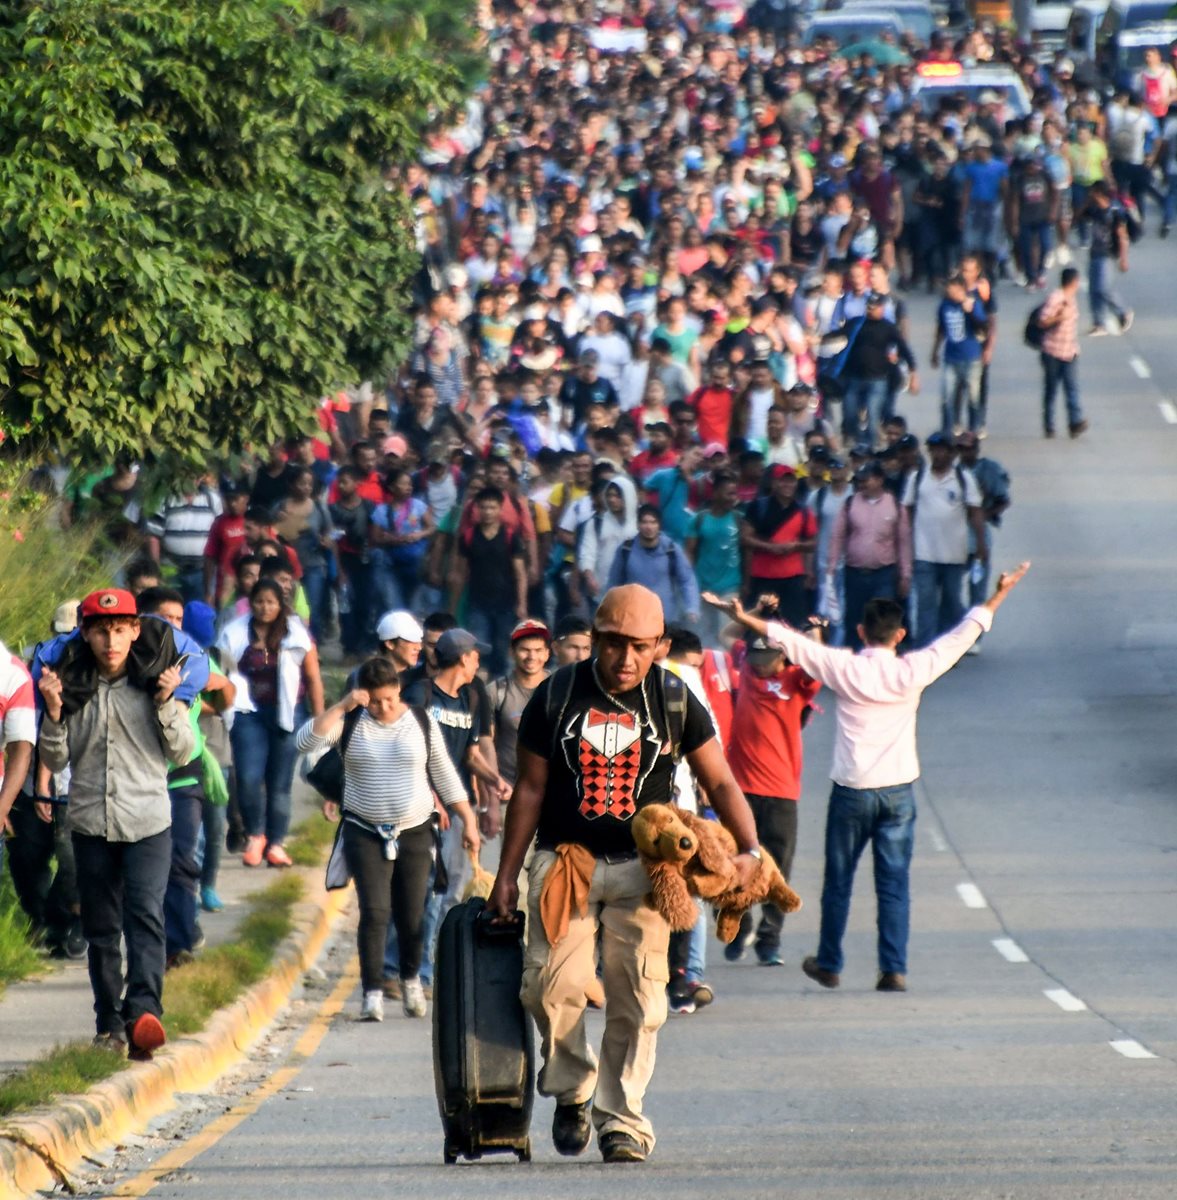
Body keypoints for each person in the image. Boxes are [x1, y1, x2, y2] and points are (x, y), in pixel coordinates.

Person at [487, 584, 762, 1164]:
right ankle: (574, 1088)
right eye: (612, 643)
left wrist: (751, 850)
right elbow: (531, 789)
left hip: (645, 872)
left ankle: (623, 1120)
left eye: (639, 646)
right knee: (548, 986)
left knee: (640, 1000)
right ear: (595, 638)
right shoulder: (556, 694)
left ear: (660, 645)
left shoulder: (675, 698)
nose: (624, 658)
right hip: (567, 863)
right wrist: (506, 875)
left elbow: (720, 781)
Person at [704, 561, 1032, 992]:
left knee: (838, 882)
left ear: (860, 633)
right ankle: (892, 968)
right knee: (893, 884)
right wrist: (999, 594)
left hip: (851, 791)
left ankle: (830, 962)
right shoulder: (913, 670)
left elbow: (788, 641)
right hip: (897, 794)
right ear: (899, 636)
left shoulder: (846, 668)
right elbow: (963, 635)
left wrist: (741, 616)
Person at [38, 589, 195, 1059]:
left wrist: (166, 700)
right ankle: (109, 1024)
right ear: (85, 633)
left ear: (134, 632)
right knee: (102, 929)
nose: (111, 640)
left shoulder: (155, 681)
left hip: (148, 821)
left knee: (145, 917)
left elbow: (184, 752)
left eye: (120, 630)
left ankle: (145, 1014)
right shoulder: (72, 687)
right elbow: (56, 757)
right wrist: (52, 712)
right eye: (101, 630)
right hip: (90, 823)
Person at [297, 657, 478, 1021]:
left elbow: (443, 773)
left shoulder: (420, 722)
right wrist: (344, 705)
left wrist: (468, 820)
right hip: (364, 829)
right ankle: (372, 992)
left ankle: (411, 978)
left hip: (414, 829)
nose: (382, 708)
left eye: (389, 700)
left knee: (412, 914)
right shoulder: (350, 722)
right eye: (374, 701)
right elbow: (306, 742)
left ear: (399, 691)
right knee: (375, 912)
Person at [725, 625, 822, 966]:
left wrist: (811, 635)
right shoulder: (748, 670)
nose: (759, 664)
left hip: (781, 792)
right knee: (736, 862)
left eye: (767, 659)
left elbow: (817, 663)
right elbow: (728, 633)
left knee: (777, 867)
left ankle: (770, 938)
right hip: (740, 790)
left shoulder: (797, 680)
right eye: (755, 657)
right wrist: (756, 618)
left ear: (783, 656)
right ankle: (739, 927)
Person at [218, 579, 324, 868]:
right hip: (247, 713)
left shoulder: (296, 635)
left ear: (281, 605)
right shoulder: (234, 633)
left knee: (280, 784)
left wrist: (321, 720)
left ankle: (276, 843)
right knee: (249, 778)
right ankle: (256, 834)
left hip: (287, 715)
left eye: (271, 602)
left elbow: (313, 679)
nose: (265, 607)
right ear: (251, 603)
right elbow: (222, 672)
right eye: (260, 601)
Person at [902, 433, 987, 649]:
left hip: (954, 554)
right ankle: (924, 649)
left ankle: (948, 649)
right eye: (933, 449)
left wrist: (980, 544)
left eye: (942, 450)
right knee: (925, 603)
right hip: (924, 553)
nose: (937, 454)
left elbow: (975, 512)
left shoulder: (963, 478)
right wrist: (904, 544)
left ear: (951, 453)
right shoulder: (918, 477)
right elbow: (907, 511)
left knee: (951, 602)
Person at [827, 462, 912, 652]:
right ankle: (854, 660)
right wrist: (831, 566)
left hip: (884, 573)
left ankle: (883, 659)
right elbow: (838, 536)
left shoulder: (895, 506)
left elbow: (903, 542)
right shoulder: (850, 504)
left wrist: (905, 574)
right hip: (855, 573)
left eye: (868, 479)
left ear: (880, 479)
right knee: (854, 620)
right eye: (860, 479)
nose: (863, 483)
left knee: (883, 621)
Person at [740, 465, 817, 628]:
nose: (788, 485)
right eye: (783, 481)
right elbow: (745, 538)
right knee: (758, 626)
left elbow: (813, 542)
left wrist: (796, 545)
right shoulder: (758, 507)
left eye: (791, 481)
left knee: (794, 626)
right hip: (762, 578)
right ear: (774, 483)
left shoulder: (803, 511)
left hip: (793, 579)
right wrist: (769, 547)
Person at [606, 505, 700, 628]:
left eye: (653, 522)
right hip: (633, 619)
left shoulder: (671, 549)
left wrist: (692, 607)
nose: (648, 527)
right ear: (638, 525)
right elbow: (614, 582)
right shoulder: (626, 549)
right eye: (644, 522)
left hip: (666, 619)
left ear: (659, 525)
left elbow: (687, 580)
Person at [930, 276, 987, 436]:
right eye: (948, 289)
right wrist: (935, 351)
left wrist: (970, 312)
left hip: (971, 357)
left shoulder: (974, 304)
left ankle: (974, 428)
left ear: (962, 290)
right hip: (951, 357)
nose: (949, 292)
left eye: (953, 290)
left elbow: (983, 327)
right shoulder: (944, 306)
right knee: (947, 395)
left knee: (973, 396)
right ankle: (948, 428)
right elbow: (940, 329)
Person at [1038, 266, 1088, 439]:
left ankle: (1075, 422)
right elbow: (1042, 321)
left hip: (1070, 352)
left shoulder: (1071, 298)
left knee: (1072, 388)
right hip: (1053, 351)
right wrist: (1059, 317)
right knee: (1051, 389)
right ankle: (1049, 425)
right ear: (1073, 282)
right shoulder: (1056, 297)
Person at [1084, 182, 1133, 336]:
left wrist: (1124, 259)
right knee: (1094, 290)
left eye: (1092, 192)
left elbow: (1122, 236)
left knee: (1102, 288)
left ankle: (1123, 311)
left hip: (1107, 254)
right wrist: (1086, 203)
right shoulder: (1093, 210)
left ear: (1099, 193)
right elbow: (1076, 218)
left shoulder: (1114, 212)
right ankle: (1099, 324)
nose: (1090, 194)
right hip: (1094, 252)